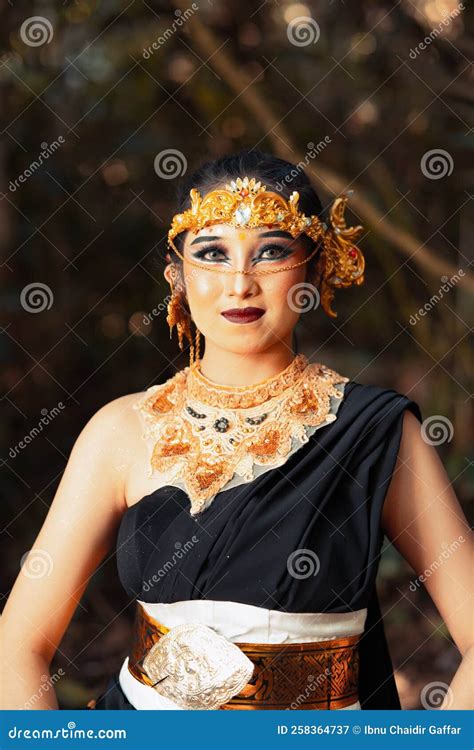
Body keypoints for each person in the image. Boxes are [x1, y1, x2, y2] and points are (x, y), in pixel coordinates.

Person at [1, 150, 472, 711]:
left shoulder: (374, 433)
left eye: (270, 253)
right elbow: (17, 643)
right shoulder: (119, 431)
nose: (240, 283)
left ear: (314, 269)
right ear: (177, 274)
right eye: (212, 254)